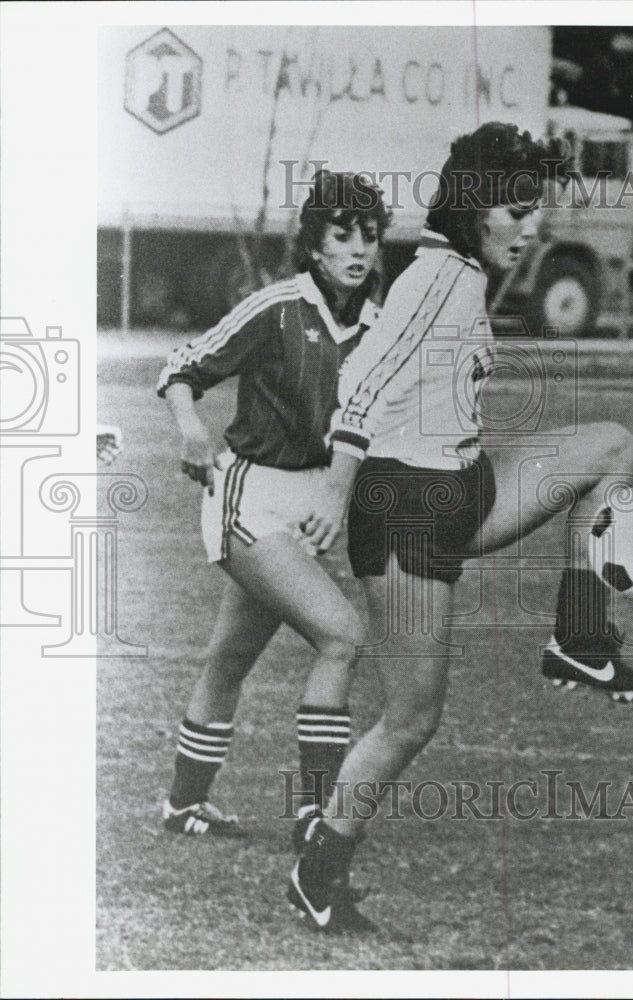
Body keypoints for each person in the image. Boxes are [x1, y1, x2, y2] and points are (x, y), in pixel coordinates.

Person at [287, 122, 633, 932]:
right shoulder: (438, 275)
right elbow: (364, 378)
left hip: (463, 486)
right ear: (474, 209)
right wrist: (335, 487)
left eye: (535, 210)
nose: (530, 229)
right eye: (518, 210)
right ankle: (318, 876)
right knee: (412, 718)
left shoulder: (460, 272)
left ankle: (580, 639)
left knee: (612, 448)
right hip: (403, 510)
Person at [156, 171, 391, 837]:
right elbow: (182, 368)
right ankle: (318, 815)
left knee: (229, 660)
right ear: (313, 247)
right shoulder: (277, 307)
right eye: (341, 236)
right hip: (247, 500)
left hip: (310, 512)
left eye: (368, 237)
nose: (357, 249)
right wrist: (192, 430)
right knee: (341, 637)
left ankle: (183, 804)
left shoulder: (379, 330)